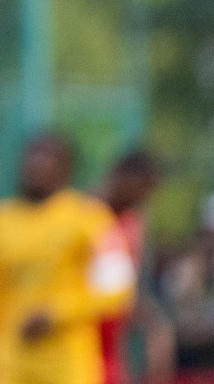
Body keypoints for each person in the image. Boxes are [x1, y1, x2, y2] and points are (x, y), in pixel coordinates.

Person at [0, 133, 134, 384]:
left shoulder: (90, 219)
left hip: (66, 363)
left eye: (49, 157)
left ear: (67, 168)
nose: (38, 163)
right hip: (10, 360)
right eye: (33, 154)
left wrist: (57, 313)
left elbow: (119, 290)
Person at [97, 150, 170, 384]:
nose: (143, 198)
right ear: (120, 177)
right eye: (142, 188)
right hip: (75, 330)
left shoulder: (133, 222)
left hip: (112, 334)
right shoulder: (80, 213)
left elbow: (125, 286)